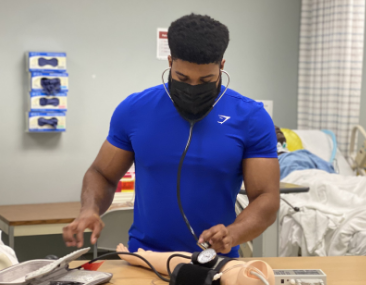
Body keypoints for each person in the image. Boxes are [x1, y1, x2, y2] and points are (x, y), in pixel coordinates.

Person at [63, 14, 280, 258]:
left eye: (206, 80)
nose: (194, 88)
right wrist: (90, 209)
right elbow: (101, 174)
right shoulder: (135, 110)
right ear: (170, 62)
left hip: (215, 262)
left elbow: (266, 197)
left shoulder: (251, 118)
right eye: (182, 78)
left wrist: (234, 233)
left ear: (221, 66)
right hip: (144, 259)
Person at [116, 243, 274, 285]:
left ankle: (142, 257)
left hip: (231, 271)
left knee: (181, 262)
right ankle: (142, 257)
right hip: (230, 268)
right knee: (182, 261)